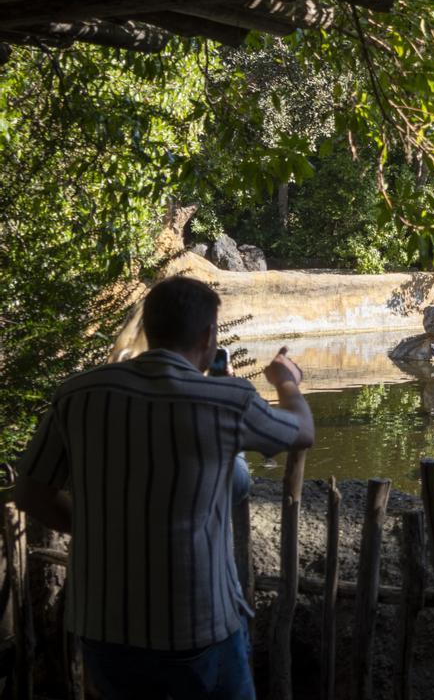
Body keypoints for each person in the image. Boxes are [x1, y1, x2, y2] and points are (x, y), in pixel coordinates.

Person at [13, 275, 314, 699]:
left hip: (103, 625)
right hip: (200, 623)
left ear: (149, 328)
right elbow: (301, 431)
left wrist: (107, 532)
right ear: (210, 335)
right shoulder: (228, 400)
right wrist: (286, 381)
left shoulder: (76, 394)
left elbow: (29, 495)